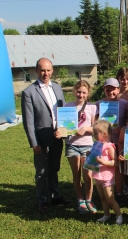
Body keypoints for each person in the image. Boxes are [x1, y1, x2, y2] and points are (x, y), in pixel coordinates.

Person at [21, 58, 70, 214]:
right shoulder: (28, 92)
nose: (46, 73)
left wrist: (65, 131)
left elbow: (64, 114)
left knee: (54, 168)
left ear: (52, 70)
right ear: (36, 71)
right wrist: (34, 143)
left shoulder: (57, 88)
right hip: (41, 139)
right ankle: (42, 200)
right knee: (42, 172)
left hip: (57, 137)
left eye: (48, 70)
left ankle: (55, 196)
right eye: (42, 70)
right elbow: (28, 121)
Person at [54, 80, 97, 214]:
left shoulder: (92, 107)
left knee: (88, 175)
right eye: (79, 92)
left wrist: (85, 129)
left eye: (84, 92)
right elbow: (63, 128)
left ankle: (89, 200)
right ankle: (80, 201)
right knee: (76, 174)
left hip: (87, 145)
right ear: (74, 91)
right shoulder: (67, 107)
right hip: (72, 145)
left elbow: (95, 128)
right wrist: (59, 132)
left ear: (88, 93)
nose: (81, 95)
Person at [95, 78, 128, 206]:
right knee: (105, 167)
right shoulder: (98, 104)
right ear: (104, 90)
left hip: (119, 141)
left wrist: (123, 127)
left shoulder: (124, 103)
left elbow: (127, 120)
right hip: (104, 143)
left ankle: (118, 193)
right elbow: (95, 122)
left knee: (118, 167)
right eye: (107, 89)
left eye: (113, 89)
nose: (110, 92)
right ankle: (107, 192)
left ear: (118, 90)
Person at [91, 120, 123, 225]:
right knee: (102, 198)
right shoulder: (96, 144)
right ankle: (106, 215)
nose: (94, 135)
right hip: (97, 175)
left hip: (107, 177)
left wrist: (103, 162)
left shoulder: (109, 146)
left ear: (104, 134)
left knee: (110, 199)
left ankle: (119, 215)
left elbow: (115, 162)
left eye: (96, 133)